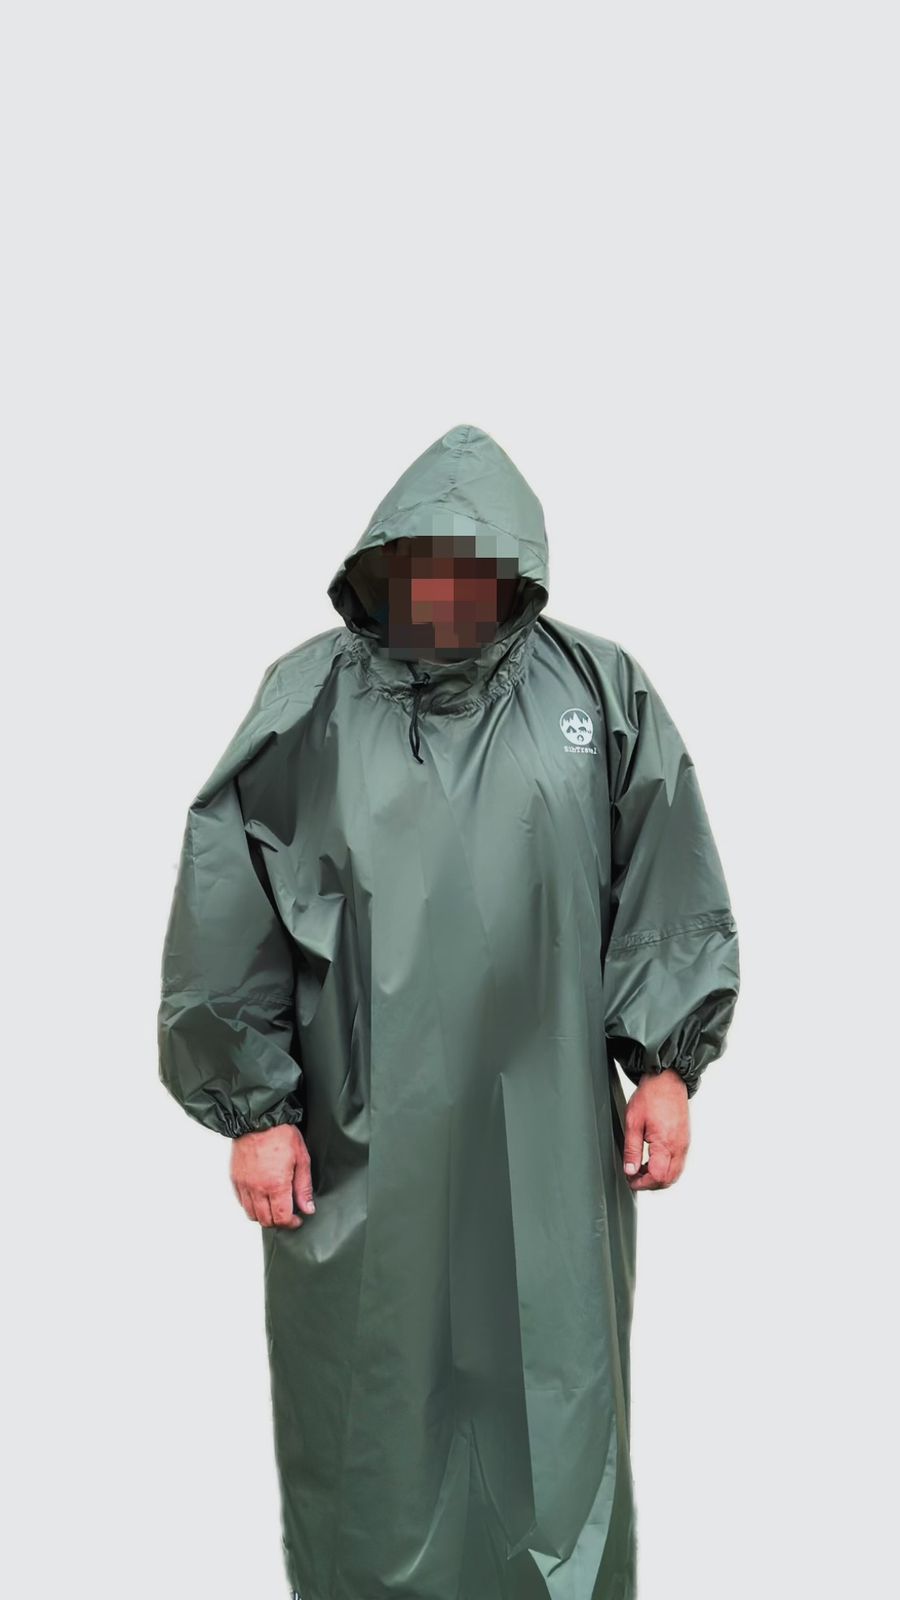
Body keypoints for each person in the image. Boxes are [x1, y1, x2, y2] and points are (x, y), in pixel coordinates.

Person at [157, 422, 740, 1600]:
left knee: (551, 1426)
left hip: (547, 1145)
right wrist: (252, 1108)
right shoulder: (309, 700)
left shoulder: (598, 693)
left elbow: (664, 881)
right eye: (423, 560)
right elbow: (229, 895)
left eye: (474, 562)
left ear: (514, 568)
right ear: (385, 562)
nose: (446, 587)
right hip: (359, 1150)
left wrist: (667, 1066)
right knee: (372, 1437)